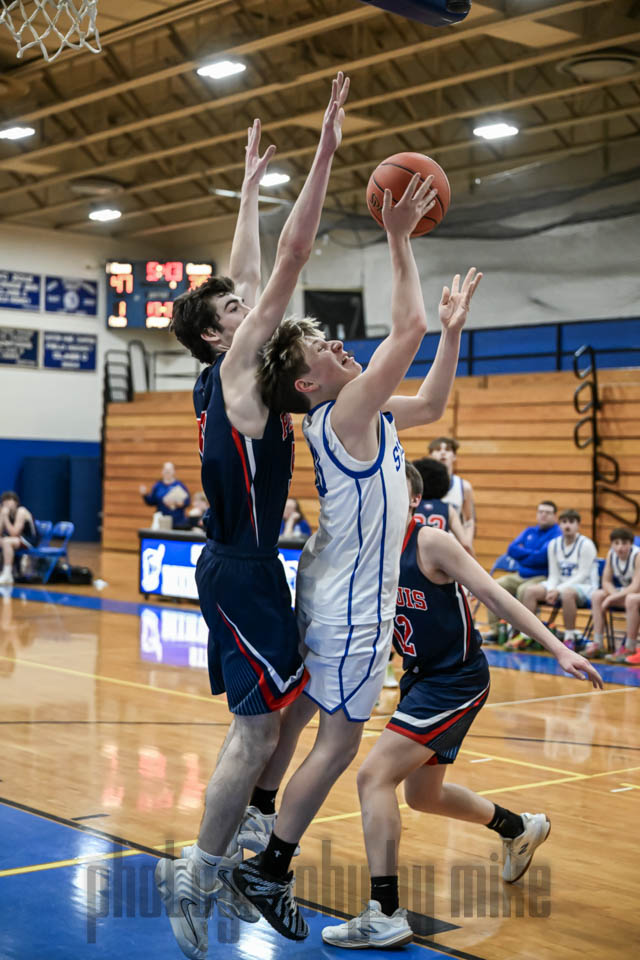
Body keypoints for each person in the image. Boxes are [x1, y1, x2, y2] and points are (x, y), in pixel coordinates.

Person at [233, 175, 483, 940]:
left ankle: (259, 810)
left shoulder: (356, 408)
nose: (338, 343)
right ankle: (270, 865)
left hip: (330, 592)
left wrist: (450, 335)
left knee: (311, 713)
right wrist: (399, 237)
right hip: (351, 609)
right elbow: (404, 329)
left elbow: (431, 403)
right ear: (308, 381)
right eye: (323, 347)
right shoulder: (346, 408)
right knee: (339, 744)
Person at [153, 75, 350, 960]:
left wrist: (246, 192)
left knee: (291, 701)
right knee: (258, 728)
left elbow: (248, 273)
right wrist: (325, 154)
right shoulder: (236, 372)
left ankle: (249, 827)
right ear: (215, 337)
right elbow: (290, 260)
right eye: (233, 310)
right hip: (240, 566)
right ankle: (200, 870)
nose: (248, 305)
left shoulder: (223, 370)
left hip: (252, 565)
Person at [319, 465, 603, 949]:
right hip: (420, 678)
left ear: (413, 500)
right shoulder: (369, 549)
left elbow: (493, 594)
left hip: (456, 679)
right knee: (423, 796)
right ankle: (518, 828)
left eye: (391, 488)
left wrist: (559, 648)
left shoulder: (431, 542)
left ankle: (384, 912)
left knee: (372, 778)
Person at [516, 509, 597, 650]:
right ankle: (527, 635)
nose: (567, 525)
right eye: (564, 522)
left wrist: (558, 590)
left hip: (585, 587)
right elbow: (553, 574)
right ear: (559, 525)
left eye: (571, 522)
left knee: (567, 593)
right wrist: (552, 589)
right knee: (530, 591)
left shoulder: (586, 544)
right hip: (560, 585)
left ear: (578, 525)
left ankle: (569, 638)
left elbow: (583, 575)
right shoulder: (553, 544)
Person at [484, 500, 560, 643]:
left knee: (524, 590)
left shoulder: (557, 534)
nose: (543, 515)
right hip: (520, 574)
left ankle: (519, 633)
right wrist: (532, 555)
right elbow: (511, 549)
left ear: (555, 516)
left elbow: (542, 557)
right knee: (494, 585)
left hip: (541, 576)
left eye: (548, 513)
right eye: (541, 512)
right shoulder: (529, 531)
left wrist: (524, 555)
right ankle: (496, 630)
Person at [583, 527, 640, 662]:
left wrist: (612, 598)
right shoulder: (611, 555)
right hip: (626, 593)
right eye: (616, 543)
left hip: (635, 594)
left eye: (624, 543)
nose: (620, 547)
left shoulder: (637, 556)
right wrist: (614, 595)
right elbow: (606, 581)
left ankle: (629, 647)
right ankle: (598, 644)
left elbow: (636, 586)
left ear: (631, 544)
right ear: (612, 544)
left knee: (631, 599)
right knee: (597, 595)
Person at [411, 456, 472, 551]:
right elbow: (465, 544)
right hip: (439, 557)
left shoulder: (410, 507)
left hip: (412, 556)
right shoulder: (448, 509)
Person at [428, 436, 475, 545]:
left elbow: (469, 520)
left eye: (447, 450)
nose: (443, 453)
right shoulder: (420, 484)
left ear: (454, 456)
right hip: (427, 543)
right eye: (438, 449)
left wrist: (467, 543)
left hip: (453, 545)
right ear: (430, 455)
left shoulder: (464, 486)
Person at [0, 491, 38, 585]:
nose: (7, 504)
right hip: (15, 540)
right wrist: (1, 516)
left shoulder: (21, 511)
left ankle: (7, 574)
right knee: (5, 541)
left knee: (6, 542)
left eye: (10, 501)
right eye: (5, 501)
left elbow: (14, 533)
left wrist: (5, 517)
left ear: (16, 502)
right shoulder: (6, 514)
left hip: (29, 540)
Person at [139, 462, 190, 527]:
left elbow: (187, 502)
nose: (167, 471)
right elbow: (151, 501)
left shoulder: (179, 485)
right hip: (162, 520)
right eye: (166, 469)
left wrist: (175, 503)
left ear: (174, 471)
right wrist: (145, 495)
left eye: (169, 470)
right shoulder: (158, 485)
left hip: (177, 521)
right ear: (162, 471)